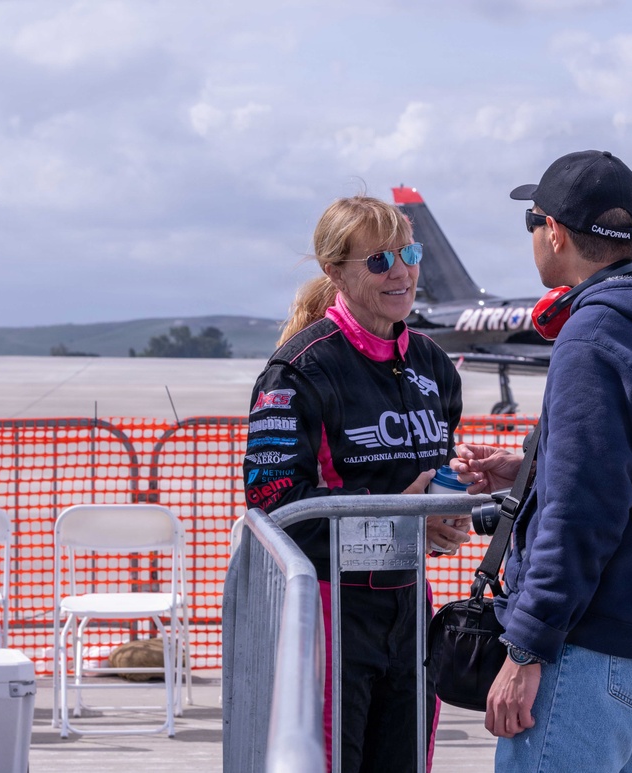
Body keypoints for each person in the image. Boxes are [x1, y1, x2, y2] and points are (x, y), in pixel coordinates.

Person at [451, 150, 632, 772]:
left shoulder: (592, 336)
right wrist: (532, 471)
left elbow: (582, 513)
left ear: (554, 231)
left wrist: (526, 650)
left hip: (583, 648)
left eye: (531, 221)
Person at [243, 193, 470, 773]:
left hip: (410, 611)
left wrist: (452, 513)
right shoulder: (297, 370)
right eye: (378, 260)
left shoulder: (433, 364)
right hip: (328, 616)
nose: (401, 271)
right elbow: (274, 505)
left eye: (409, 252)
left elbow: (434, 479)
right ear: (334, 271)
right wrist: (402, 514)